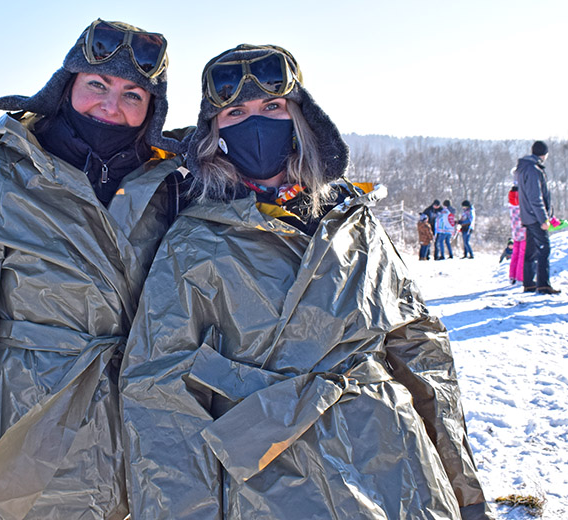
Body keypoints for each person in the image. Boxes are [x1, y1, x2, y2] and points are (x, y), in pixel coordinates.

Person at [120, 43, 491, 519]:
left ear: (300, 117)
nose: (257, 123)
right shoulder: (193, 241)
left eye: (273, 106)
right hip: (270, 483)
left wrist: (465, 490)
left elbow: (418, 348)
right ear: (214, 131)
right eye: (236, 111)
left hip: (398, 471)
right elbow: (158, 392)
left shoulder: (352, 220)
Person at [0, 19, 187, 520]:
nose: (111, 106)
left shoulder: (167, 189)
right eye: (97, 85)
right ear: (65, 86)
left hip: (141, 457)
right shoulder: (3, 178)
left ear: (151, 111)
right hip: (26, 451)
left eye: (132, 94)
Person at [516, 140, 560, 294]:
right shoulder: (534, 170)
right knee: (544, 249)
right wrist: (544, 219)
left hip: (528, 216)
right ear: (544, 154)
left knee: (531, 249)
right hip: (535, 217)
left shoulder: (524, 168)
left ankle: (529, 282)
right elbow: (536, 198)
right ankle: (543, 285)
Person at [508, 185, 526, 284]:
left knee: (515, 254)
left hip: (515, 231)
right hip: (523, 231)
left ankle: (512, 276)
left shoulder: (511, 203)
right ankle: (520, 277)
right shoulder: (522, 203)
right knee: (522, 255)